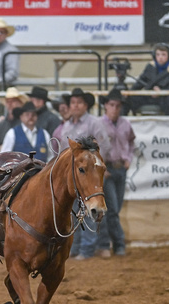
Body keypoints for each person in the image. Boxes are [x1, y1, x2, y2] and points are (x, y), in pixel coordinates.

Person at [51, 88, 111, 260]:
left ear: (86, 105)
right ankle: (74, 247)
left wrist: (96, 168)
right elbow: (61, 151)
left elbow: (104, 146)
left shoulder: (94, 123)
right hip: (72, 177)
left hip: (89, 175)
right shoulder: (66, 126)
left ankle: (87, 249)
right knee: (73, 212)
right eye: (73, 103)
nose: (75, 106)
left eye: (79, 103)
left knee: (91, 209)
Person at [95, 89, 135, 258]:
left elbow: (132, 142)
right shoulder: (99, 125)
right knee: (111, 209)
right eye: (112, 105)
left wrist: (128, 159)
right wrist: (101, 167)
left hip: (120, 168)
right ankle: (117, 244)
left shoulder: (126, 124)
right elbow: (94, 148)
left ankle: (107, 244)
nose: (115, 108)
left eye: (118, 106)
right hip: (108, 169)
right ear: (105, 106)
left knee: (114, 208)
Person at [129, 43, 169, 116]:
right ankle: (120, 125)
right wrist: (129, 93)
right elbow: (139, 83)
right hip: (148, 96)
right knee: (127, 99)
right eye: (158, 55)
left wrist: (161, 92)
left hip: (163, 99)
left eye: (163, 54)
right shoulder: (150, 68)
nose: (160, 57)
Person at [0, 87, 28, 155]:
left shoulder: (25, 123)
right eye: (8, 101)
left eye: (13, 101)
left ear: (20, 103)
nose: (10, 104)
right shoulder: (2, 124)